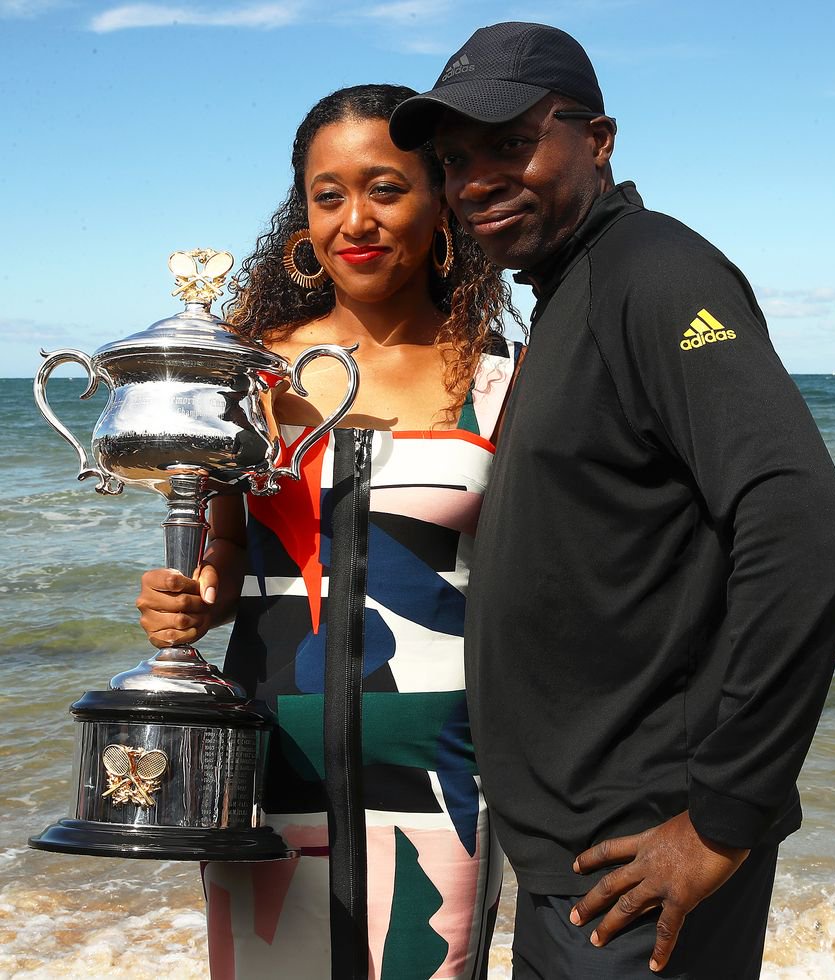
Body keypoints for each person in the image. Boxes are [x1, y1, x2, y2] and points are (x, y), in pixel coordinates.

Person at [389, 23, 835, 978]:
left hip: (644, 857)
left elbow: (801, 521)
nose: (475, 181)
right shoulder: (573, 293)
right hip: (580, 858)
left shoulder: (655, 272)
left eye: (510, 144)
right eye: (454, 160)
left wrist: (723, 816)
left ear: (597, 140)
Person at [136, 84, 524, 980]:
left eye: (387, 188)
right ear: (302, 219)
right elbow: (227, 548)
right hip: (263, 768)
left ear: (441, 203)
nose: (357, 220)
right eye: (329, 194)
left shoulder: (501, 379)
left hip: (447, 771)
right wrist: (191, 599)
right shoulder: (246, 374)